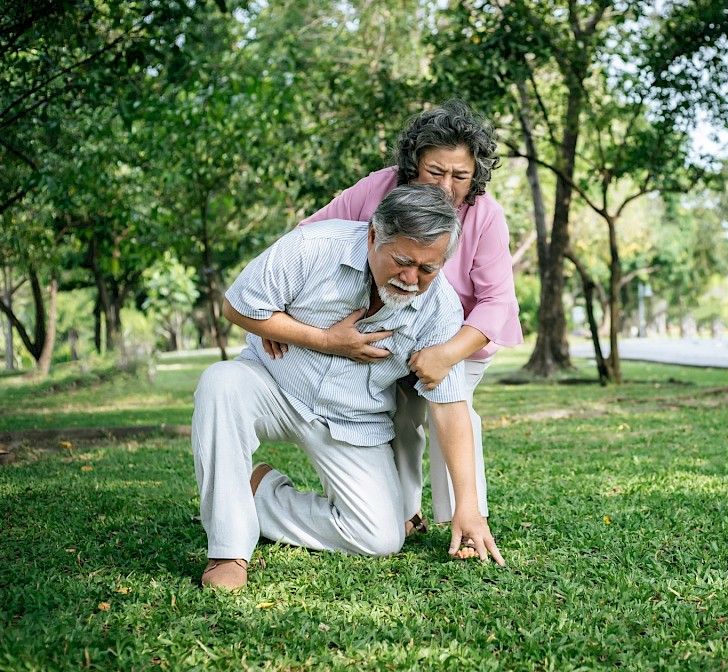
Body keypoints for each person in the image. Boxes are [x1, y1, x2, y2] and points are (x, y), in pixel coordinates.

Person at [193, 184, 504, 591]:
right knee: (220, 382)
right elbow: (238, 305)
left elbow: (450, 409)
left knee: (380, 538)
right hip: (273, 384)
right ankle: (228, 549)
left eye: (427, 269)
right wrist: (322, 339)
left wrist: (470, 508)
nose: (411, 279)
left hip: (354, 419)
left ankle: (260, 493)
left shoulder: (440, 309)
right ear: (374, 236)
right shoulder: (313, 247)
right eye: (402, 262)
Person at [267, 100, 522, 540]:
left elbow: (497, 301)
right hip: (389, 328)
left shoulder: (486, 214)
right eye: (435, 172)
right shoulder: (377, 187)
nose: (446, 186)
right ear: (411, 165)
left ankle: (466, 517)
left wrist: (445, 354)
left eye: (460, 176)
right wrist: (279, 316)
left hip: (458, 336)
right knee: (397, 417)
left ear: (474, 175)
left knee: (451, 408)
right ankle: (403, 513)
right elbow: (306, 236)